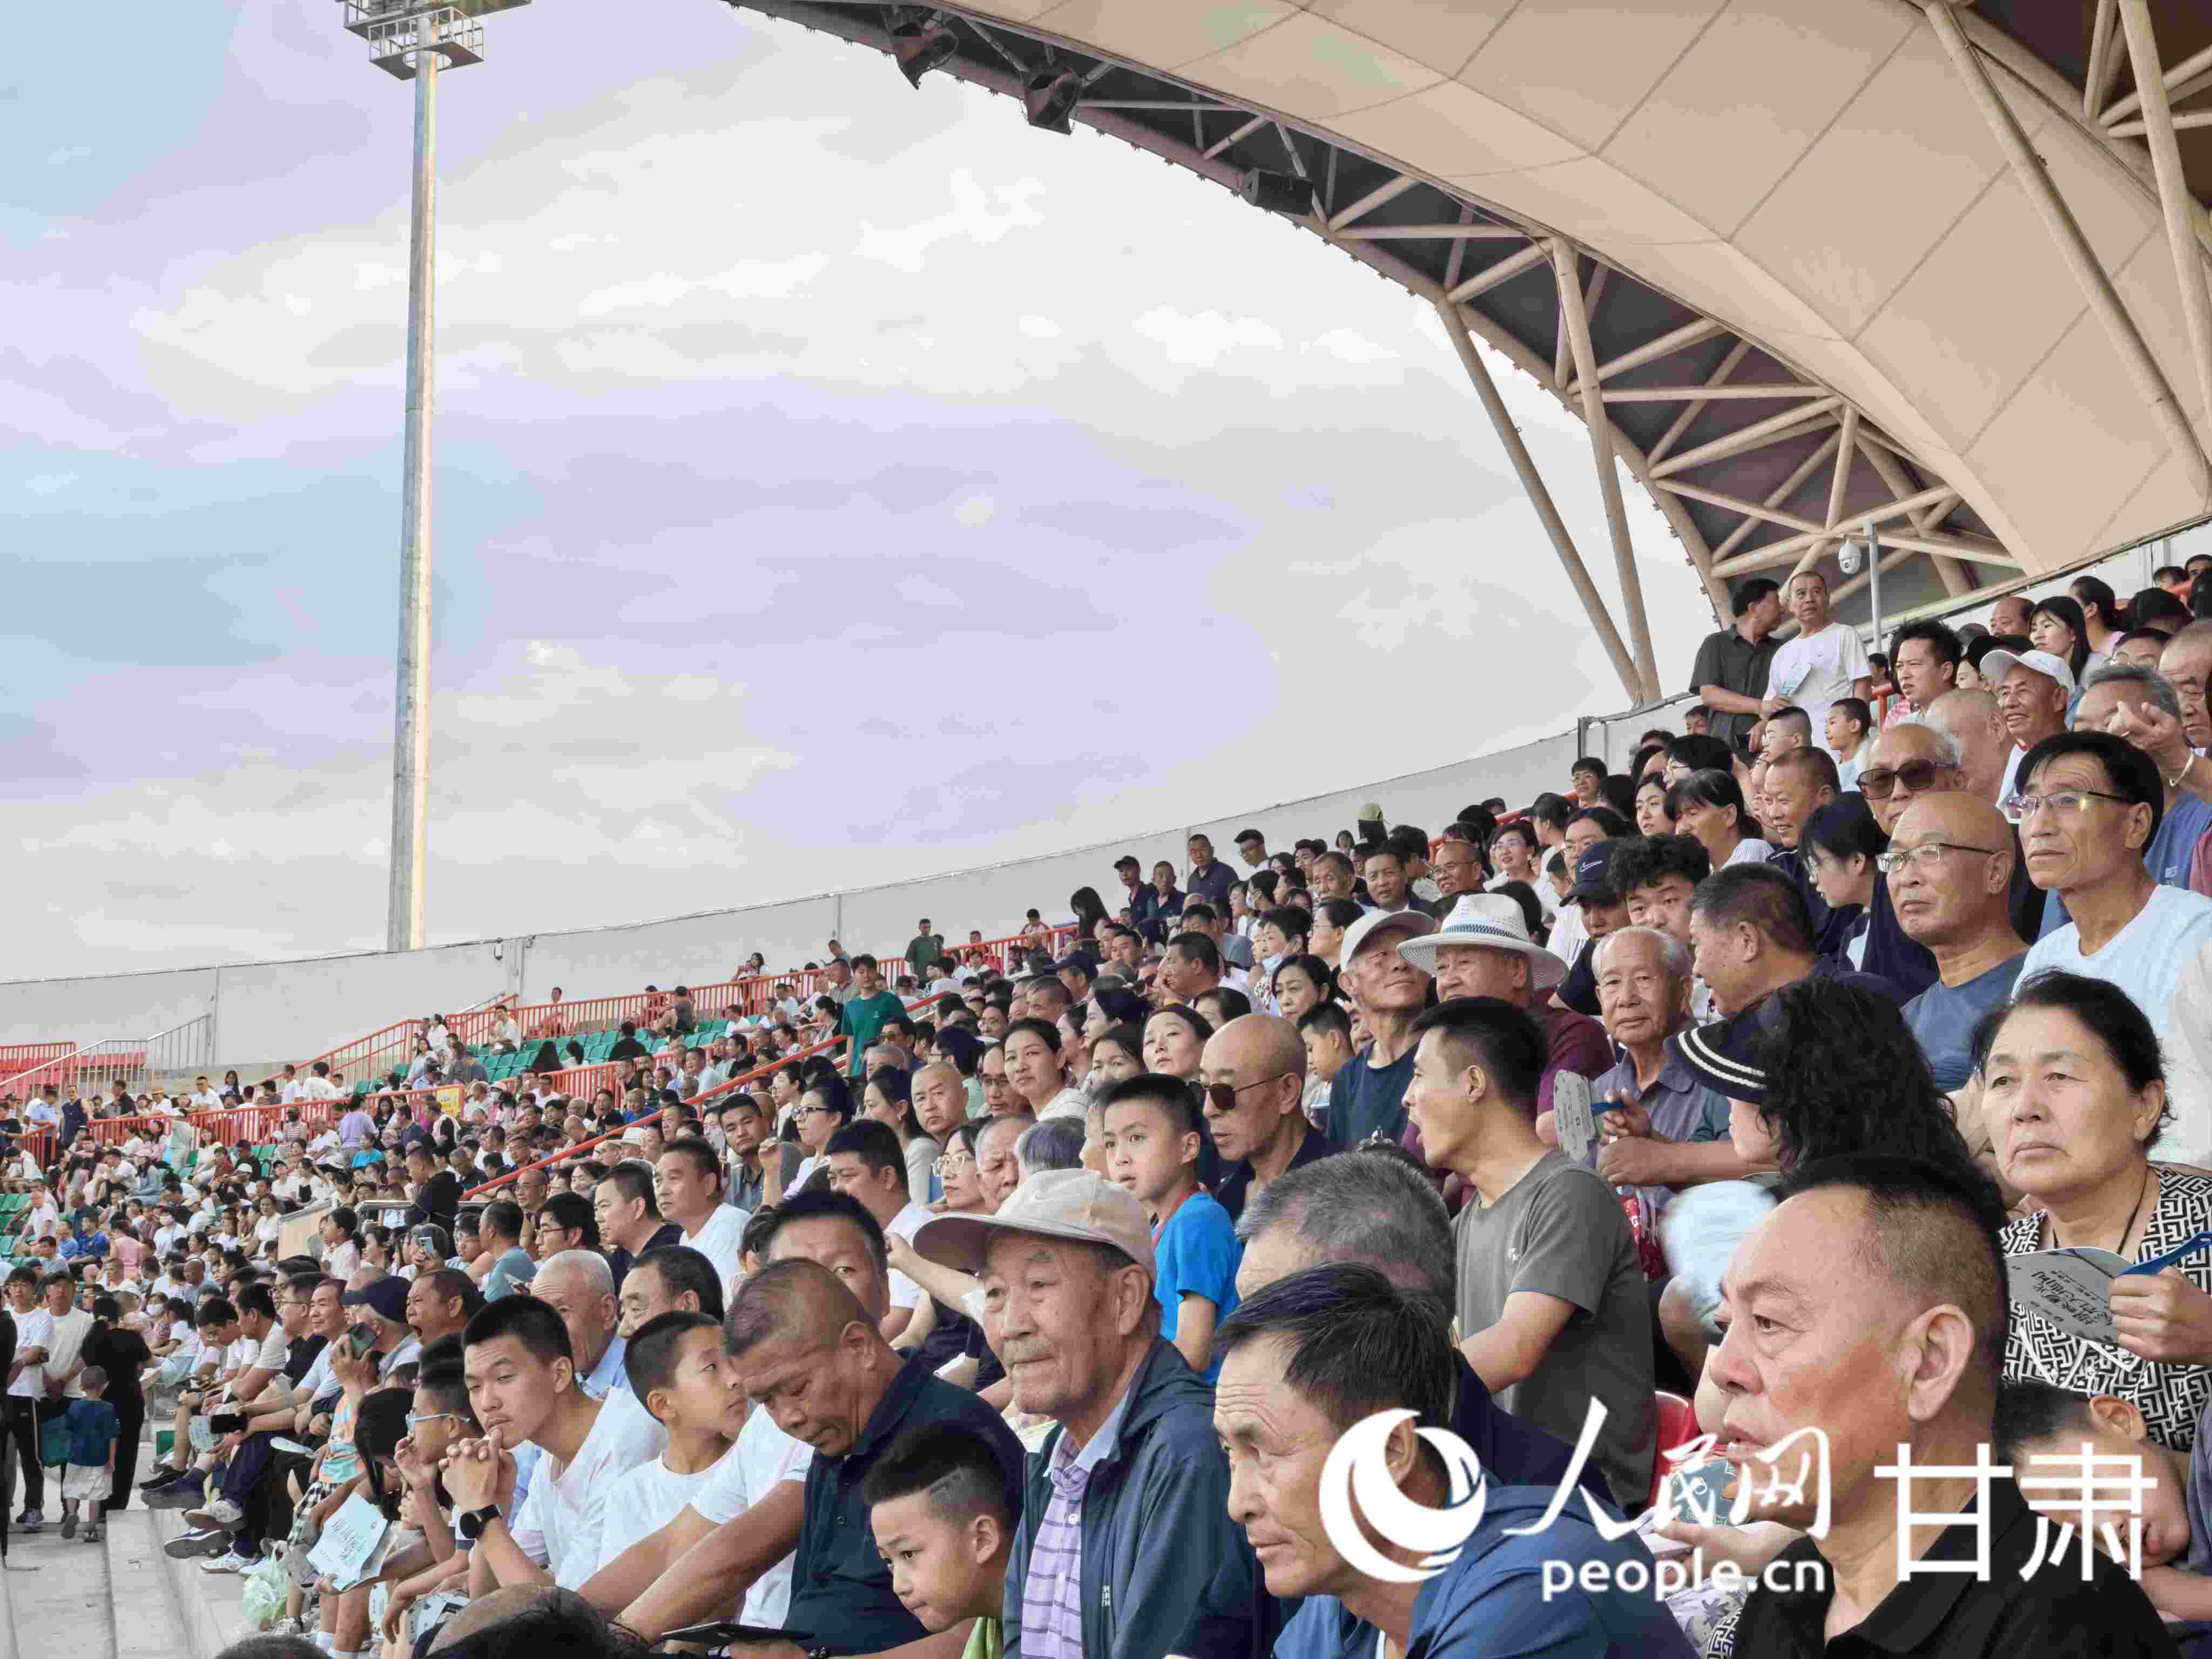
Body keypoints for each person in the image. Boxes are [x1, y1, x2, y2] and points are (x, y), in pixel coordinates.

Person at [1709, 1153, 2172, 1657]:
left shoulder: (2065, 1629)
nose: (1723, 1368)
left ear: (1930, 1361)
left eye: (1768, 1322)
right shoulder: (1788, 1592)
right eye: (1724, 1325)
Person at [1225, 1266, 1692, 1659]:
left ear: (1389, 1453)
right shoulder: (1345, 1596)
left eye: (1264, 1453)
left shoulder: (1532, 1591)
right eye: (1231, 1453)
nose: (1237, 1504)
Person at [914, 1169, 1255, 1659]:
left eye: (1039, 1285)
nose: (1009, 1326)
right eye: (994, 1293)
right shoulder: (1058, 1454)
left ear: (1126, 1300)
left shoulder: (1187, 1453)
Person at [1232, 1146, 1610, 1507]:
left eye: (1270, 1319)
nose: (1240, 1348)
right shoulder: (1263, 1474)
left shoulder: (1550, 1502)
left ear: (1385, 1316)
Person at [698, 1258, 1024, 1656]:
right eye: (766, 1401)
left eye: (797, 1389)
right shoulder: (834, 1443)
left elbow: (989, 1625)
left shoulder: (957, 1431)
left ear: (859, 1346)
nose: (787, 1418)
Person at [1405, 997, 1655, 1509]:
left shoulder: (1569, 1192)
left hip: (1579, 1497)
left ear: (1474, 1083)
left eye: (1419, 1076)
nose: (1408, 1099)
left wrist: (1386, 1401)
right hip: (1503, 1487)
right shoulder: (1464, 1225)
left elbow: (1515, 1348)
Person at [1982, 972, 2212, 1451]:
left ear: (2144, 1107)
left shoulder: (2204, 1228)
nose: (2024, 1108)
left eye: (2059, 1076)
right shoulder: (1992, 1269)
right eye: (2003, 1081)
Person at [2012, 729, 2212, 1165]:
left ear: (2136, 824)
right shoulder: (2044, 960)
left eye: (2067, 800)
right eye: (2028, 805)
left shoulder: (2199, 936)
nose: (2039, 825)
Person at [444, 1294, 667, 1591]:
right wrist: (496, 1503)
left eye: (504, 1377)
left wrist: (481, 1511)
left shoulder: (626, 1439)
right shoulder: (550, 1455)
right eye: (474, 1387)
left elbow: (570, 1612)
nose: (487, 1403)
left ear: (560, 1374)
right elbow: (488, 1594)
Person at [1099, 1073, 1242, 1382]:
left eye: (1136, 1138)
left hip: (1193, 1399)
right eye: (1110, 1143)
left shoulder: (1199, 1220)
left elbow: (1193, 1353)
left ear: (1188, 1147)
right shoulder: (1161, 1225)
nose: (1120, 1158)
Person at [1891, 793, 2028, 1092]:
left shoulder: (2039, 990)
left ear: (1995, 872)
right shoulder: (1904, 1020)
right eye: (1896, 859)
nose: (1906, 877)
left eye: (1930, 852)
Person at [591, 1311, 736, 1581]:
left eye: (733, 1361)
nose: (735, 1378)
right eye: (712, 1368)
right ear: (663, 1404)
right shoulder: (631, 1494)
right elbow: (623, 1590)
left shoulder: (755, 1460)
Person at [862, 1423, 1017, 1659]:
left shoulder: (1059, 1629)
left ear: (983, 1539)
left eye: (908, 1554)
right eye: (889, 1561)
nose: (898, 1586)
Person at [1197, 1014, 1336, 1222]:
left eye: (1224, 1091)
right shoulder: (1223, 1200)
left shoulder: (1343, 1196)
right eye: (1204, 1088)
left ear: (1287, 1092)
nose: (1209, 1110)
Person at [1323, 909, 1436, 1148]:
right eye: (1381, 956)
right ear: (1349, 983)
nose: (1401, 964)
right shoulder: (1348, 1079)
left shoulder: (1453, 1053)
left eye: (1409, 952)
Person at [1763, 569, 1872, 760]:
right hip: (1800, 750)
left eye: (1817, 592)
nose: (1809, 599)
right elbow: (1769, 707)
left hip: (1843, 744)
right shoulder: (1782, 654)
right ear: (1790, 605)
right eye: (1801, 594)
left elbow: (1862, 685)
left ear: (1827, 598)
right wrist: (1771, 706)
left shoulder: (1844, 634)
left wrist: (1857, 734)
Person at [1688, 577, 1784, 754]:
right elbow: (1709, 695)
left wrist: (1766, 722)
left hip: (1772, 750)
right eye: (1776, 602)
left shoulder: (1783, 649)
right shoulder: (1715, 643)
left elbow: (1790, 698)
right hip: (1724, 752)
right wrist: (1761, 706)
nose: (1783, 609)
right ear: (1754, 608)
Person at [1985, 644, 2077, 805]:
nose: (2009, 703)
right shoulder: (2015, 755)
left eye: (2022, 691)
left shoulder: (2078, 763)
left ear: (2059, 698)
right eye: (2004, 693)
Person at [653, 1138, 747, 1296]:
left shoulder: (730, 1224)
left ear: (708, 1184)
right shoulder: (685, 1237)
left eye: (674, 1178)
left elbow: (728, 1303)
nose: (662, 1191)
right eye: (658, 1181)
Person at [834, 955, 906, 1082]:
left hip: (886, 1068)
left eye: (870, 971)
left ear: (876, 973)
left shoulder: (891, 1001)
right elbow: (851, 1040)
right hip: (858, 1070)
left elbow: (904, 1033)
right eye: (861, 972)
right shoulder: (850, 1006)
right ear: (854, 975)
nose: (866, 976)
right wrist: (849, 1073)